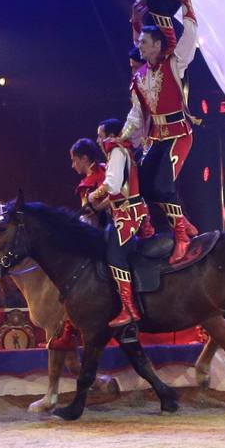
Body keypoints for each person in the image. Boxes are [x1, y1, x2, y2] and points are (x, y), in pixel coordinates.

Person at [122, 17, 199, 265]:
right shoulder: (139, 77)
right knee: (143, 185)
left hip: (178, 134)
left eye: (145, 42)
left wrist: (188, 7)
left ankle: (181, 237)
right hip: (156, 137)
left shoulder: (173, 64)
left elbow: (189, 40)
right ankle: (179, 223)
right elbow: (136, 113)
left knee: (164, 183)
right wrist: (121, 137)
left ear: (157, 45)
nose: (140, 46)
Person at [86, 118, 154, 330]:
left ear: (112, 135)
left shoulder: (116, 150)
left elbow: (113, 184)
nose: (98, 140)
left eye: (100, 135)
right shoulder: (124, 151)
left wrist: (93, 196)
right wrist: (100, 206)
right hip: (132, 210)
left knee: (115, 256)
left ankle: (129, 309)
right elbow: (122, 189)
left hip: (127, 216)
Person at [70, 137, 108, 227]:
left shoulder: (85, 186)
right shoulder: (107, 167)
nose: (73, 166)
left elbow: (89, 218)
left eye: (74, 160)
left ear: (84, 158)